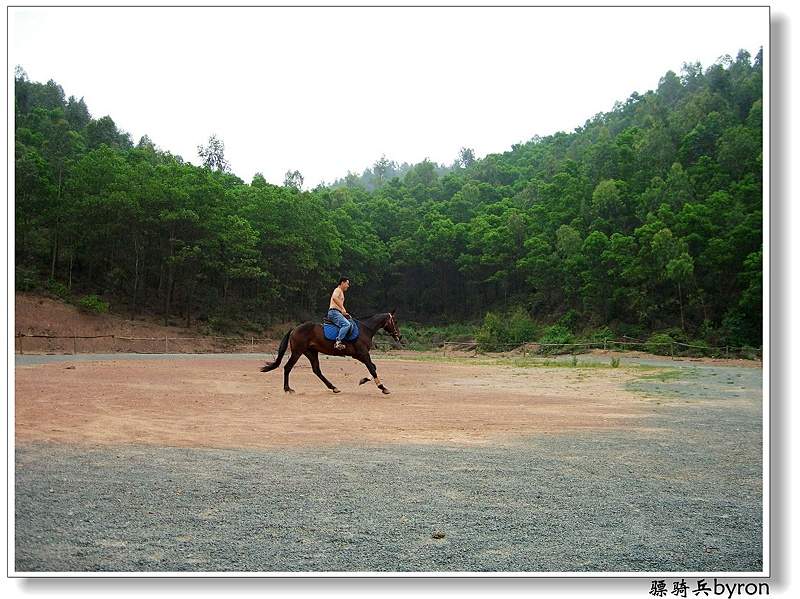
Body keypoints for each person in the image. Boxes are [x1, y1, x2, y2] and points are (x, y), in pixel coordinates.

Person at [328, 277, 353, 350]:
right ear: (342, 283)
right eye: (347, 284)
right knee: (346, 324)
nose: (348, 286)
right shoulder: (338, 290)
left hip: (337, 312)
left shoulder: (341, 292)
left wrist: (344, 313)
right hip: (334, 312)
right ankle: (338, 342)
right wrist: (342, 308)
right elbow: (334, 298)